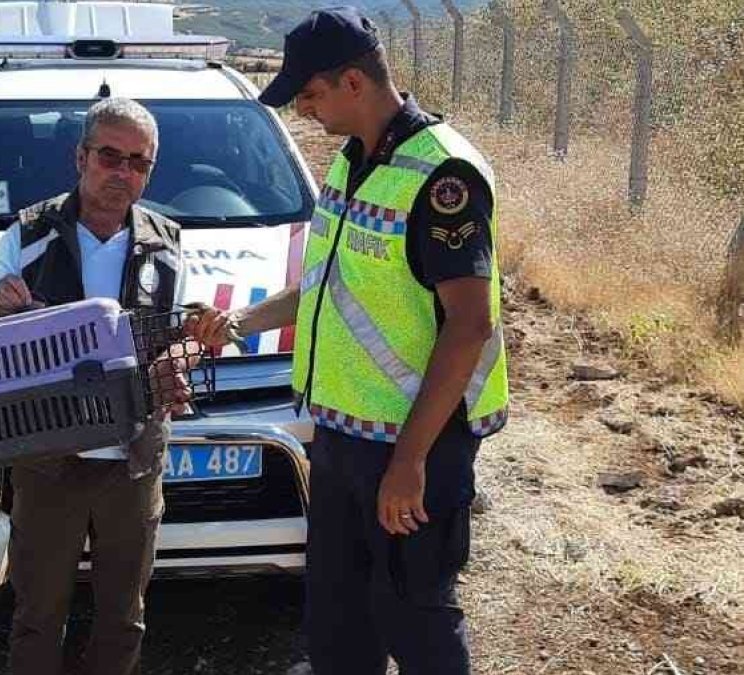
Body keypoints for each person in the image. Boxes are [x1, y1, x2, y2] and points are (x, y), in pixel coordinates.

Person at [186, 8, 509, 675]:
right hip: (339, 435)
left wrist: (409, 462)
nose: (304, 109)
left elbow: (469, 325)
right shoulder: (351, 161)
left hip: (413, 444)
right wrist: (240, 323)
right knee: (338, 622)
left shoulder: (442, 176)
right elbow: (325, 283)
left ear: (353, 82)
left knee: (415, 619)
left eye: (310, 94)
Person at [0, 97, 188, 675]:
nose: (123, 172)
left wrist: (174, 366)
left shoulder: (168, 244)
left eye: (138, 162)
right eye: (110, 156)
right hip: (47, 461)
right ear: (80, 157)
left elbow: (172, 337)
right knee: (38, 616)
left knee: (124, 618)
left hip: (133, 462)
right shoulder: (29, 234)